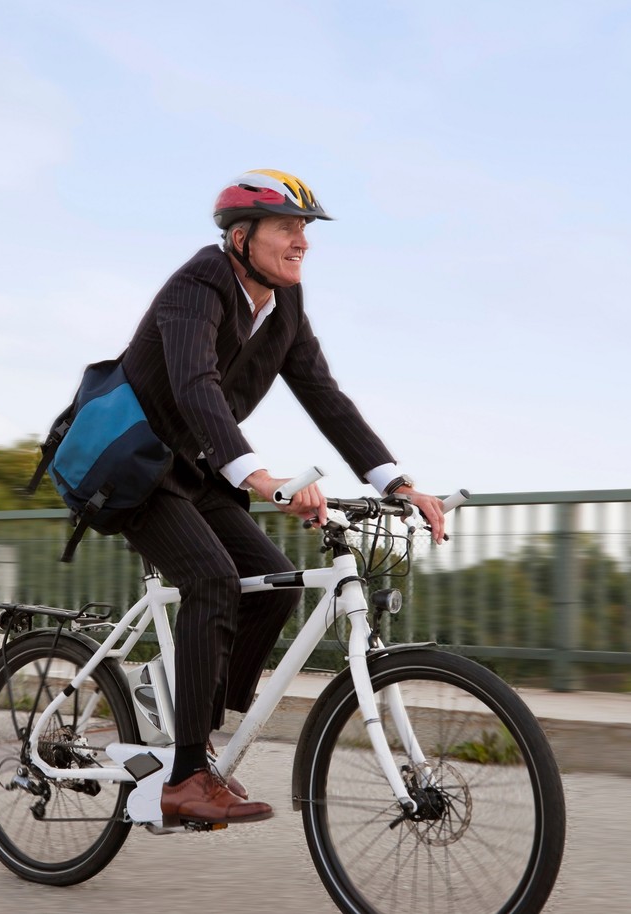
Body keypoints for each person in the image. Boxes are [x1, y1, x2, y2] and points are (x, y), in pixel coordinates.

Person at [119, 169, 445, 826]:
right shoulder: (198, 286)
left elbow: (325, 396)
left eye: (306, 230)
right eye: (288, 228)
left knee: (275, 586)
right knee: (213, 579)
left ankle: (193, 740)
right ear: (241, 237)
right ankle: (184, 778)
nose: (302, 242)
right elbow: (194, 386)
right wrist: (258, 475)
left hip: (198, 473)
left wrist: (395, 481)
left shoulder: (285, 307)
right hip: (135, 467)